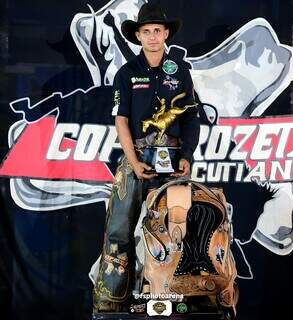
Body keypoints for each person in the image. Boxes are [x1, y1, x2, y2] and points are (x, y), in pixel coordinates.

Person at [92, 3, 200, 314]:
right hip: (135, 157)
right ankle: (110, 305)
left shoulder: (181, 72)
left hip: (174, 159)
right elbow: (121, 120)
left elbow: (192, 119)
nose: (152, 36)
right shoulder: (126, 73)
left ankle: (172, 301)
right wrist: (133, 161)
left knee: (176, 231)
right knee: (118, 230)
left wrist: (188, 156)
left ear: (166, 34)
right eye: (146, 31)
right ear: (138, 36)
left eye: (157, 31)